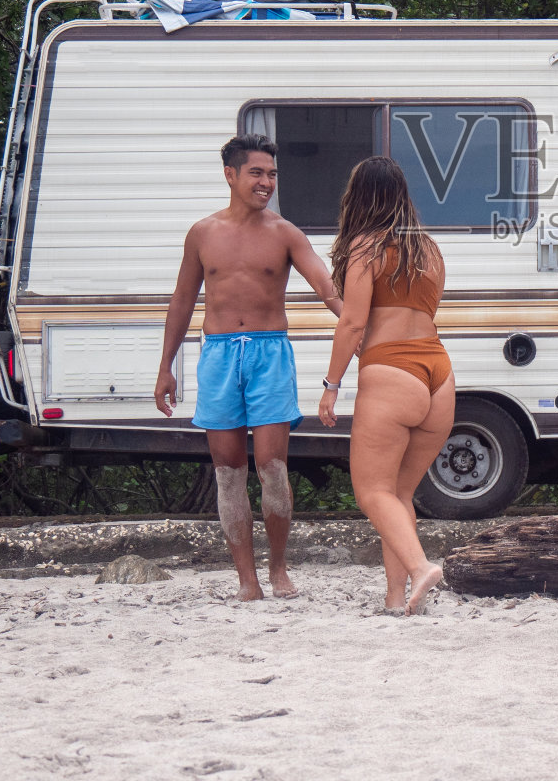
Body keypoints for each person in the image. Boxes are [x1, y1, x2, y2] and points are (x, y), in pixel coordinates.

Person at [154, 133, 344, 601]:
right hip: (218, 354)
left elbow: (326, 284)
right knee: (228, 470)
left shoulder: (285, 233)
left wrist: (355, 327)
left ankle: (278, 569)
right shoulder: (203, 233)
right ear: (231, 175)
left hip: (269, 353)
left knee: (272, 468)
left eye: (272, 174)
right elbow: (182, 300)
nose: (266, 182)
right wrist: (166, 367)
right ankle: (247, 580)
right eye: (257, 173)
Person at [318, 156, 454, 615]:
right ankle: (397, 599)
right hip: (438, 373)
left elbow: (353, 322)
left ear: (358, 197)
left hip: (392, 372)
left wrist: (331, 383)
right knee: (398, 495)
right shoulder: (429, 249)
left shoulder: (365, 247)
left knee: (372, 493)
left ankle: (420, 569)